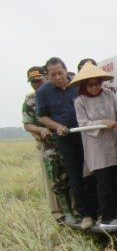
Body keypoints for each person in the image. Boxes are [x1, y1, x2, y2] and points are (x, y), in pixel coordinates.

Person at [36, 57, 98, 229]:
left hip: (87, 134)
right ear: (47, 76)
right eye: (53, 75)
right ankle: (85, 215)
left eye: (60, 73)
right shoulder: (43, 92)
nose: (57, 77)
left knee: (93, 173)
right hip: (66, 138)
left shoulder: (79, 84)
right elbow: (41, 116)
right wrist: (57, 126)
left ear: (66, 70)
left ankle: (98, 212)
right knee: (75, 176)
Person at [71, 63, 117, 228]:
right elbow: (83, 123)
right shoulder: (80, 101)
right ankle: (106, 217)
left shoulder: (107, 94)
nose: (94, 88)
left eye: (97, 83)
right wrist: (102, 122)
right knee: (104, 181)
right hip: (96, 146)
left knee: (114, 180)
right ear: (84, 86)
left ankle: (115, 213)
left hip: (113, 143)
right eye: (90, 85)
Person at [22, 66, 70, 223]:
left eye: (39, 80)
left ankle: (78, 211)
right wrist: (41, 129)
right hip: (49, 143)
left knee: (74, 175)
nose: (36, 84)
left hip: (68, 139)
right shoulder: (30, 100)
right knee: (56, 176)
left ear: (46, 77)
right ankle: (63, 213)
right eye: (33, 82)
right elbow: (27, 124)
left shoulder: (60, 92)